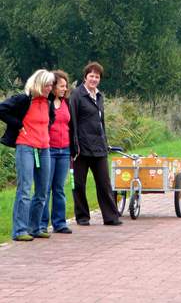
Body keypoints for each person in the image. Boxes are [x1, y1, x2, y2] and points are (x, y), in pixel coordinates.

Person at [0, 69, 55, 241]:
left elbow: (50, 119)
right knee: (25, 188)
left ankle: (35, 227)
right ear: (38, 83)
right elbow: (1, 109)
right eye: (47, 85)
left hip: (44, 148)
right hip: (25, 147)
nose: (50, 88)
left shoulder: (48, 102)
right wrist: (18, 124)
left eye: (51, 85)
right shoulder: (24, 99)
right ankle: (20, 230)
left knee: (43, 190)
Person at [69, 61, 121, 226]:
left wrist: (105, 142)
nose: (94, 79)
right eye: (91, 76)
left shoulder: (99, 96)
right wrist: (74, 144)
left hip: (99, 147)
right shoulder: (76, 95)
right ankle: (82, 216)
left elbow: (101, 122)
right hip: (81, 148)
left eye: (97, 76)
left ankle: (111, 217)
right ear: (85, 77)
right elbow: (73, 122)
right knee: (79, 184)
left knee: (104, 183)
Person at [40, 70, 72, 234]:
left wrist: (74, 148)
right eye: (61, 86)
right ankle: (41, 224)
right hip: (49, 150)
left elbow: (71, 126)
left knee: (59, 188)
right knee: (45, 188)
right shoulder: (45, 103)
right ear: (52, 87)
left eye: (65, 86)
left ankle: (59, 223)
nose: (64, 89)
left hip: (64, 150)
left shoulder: (67, 103)